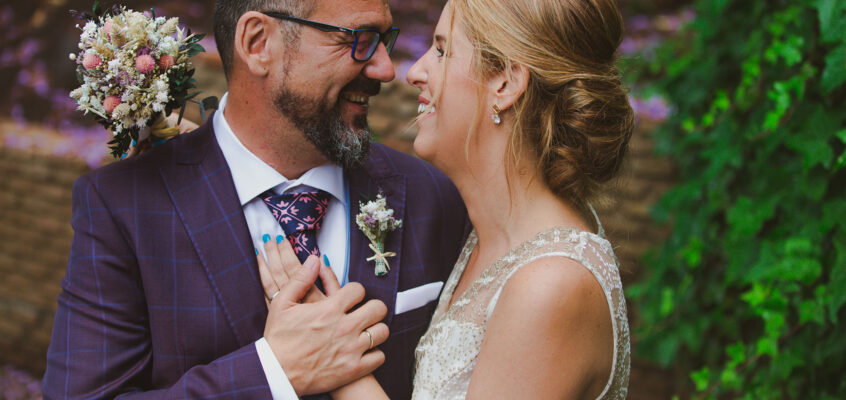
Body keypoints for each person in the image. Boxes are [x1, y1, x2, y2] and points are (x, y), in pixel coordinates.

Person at [41, 0, 470, 398]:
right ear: (258, 43)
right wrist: (273, 372)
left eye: (383, 41)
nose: (384, 69)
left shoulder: (436, 194)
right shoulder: (124, 205)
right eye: (356, 40)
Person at [261, 0, 635, 398]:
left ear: (506, 83)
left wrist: (337, 356)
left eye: (442, 51)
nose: (414, 72)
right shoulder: (494, 233)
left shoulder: (549, 287)